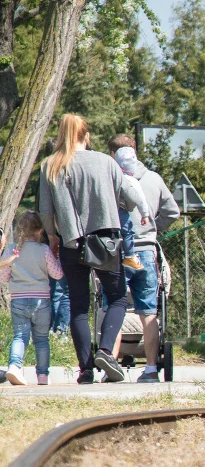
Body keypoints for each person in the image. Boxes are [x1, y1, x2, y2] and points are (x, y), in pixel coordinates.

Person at [37, 113, 142, 384]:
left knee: (79, 307)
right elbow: (131, 197)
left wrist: (53, 237)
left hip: (71, 242)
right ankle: (106, 351)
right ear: (87, 135)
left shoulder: (50, 165)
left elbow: (45, 211)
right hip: (106, 241)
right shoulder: (106, 162)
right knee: (117, 297)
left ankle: (85, 370)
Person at [108, 136, 179, 381]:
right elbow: (173, 211)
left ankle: (111, 366)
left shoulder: (112, 179)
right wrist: (153, 229)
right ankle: (150, 368)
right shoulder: (154, 179)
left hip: (118, 251)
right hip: (147, 251)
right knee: (149, 312)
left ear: (113, 154)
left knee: (114, 307)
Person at [1, 213, 64, 385]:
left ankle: (14, 366)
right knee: (41, 339)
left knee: (20, 336)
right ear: (40, 230)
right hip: (41, 300)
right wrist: (58, 258)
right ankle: (42, 375)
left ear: (18, 228)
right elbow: (57, 274)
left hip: (18, 299)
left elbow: (3, 277)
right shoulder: (44, 249)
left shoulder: (12, 250)